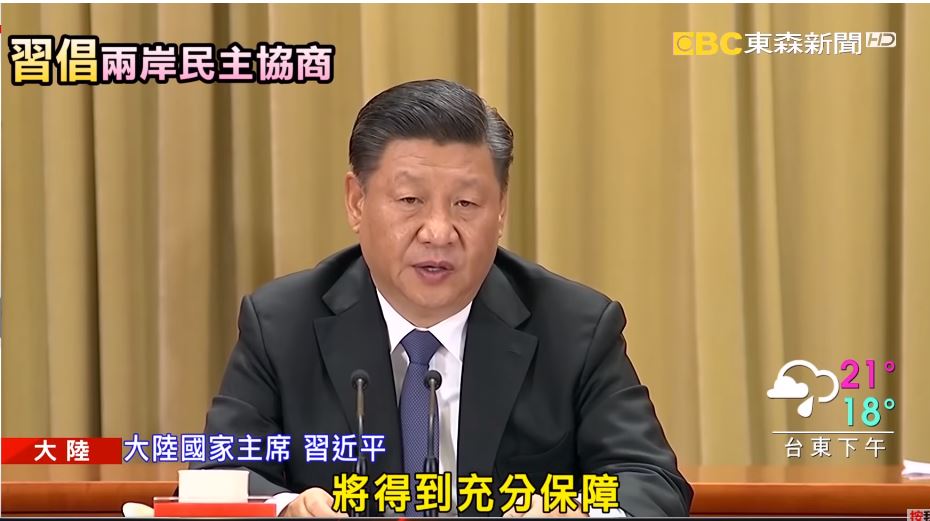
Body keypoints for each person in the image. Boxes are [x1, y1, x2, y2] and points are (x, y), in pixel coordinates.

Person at [195, 79, 692, 517]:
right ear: (356, 201)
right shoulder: (282, 324)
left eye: (466, 203)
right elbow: (218, 476)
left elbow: (651, 482)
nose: (438, 231)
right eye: (410, 200)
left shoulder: (575, 328)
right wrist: (286, 510)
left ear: (501, 209)